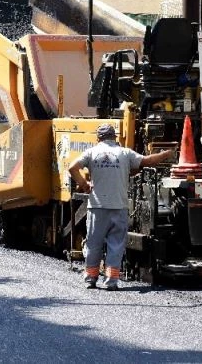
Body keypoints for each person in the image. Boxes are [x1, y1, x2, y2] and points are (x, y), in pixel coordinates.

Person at [68, 123, 174, 290]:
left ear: (98, 138)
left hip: (97, 206)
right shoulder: (125, 153)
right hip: (119, 206)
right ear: (115, 137)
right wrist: (166, 154)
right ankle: (111, 280)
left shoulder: (92, 152)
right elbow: (146, 161)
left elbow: (72, 167)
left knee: (94, 243)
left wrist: (84, 184)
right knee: (116, 244)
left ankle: (90, 278)